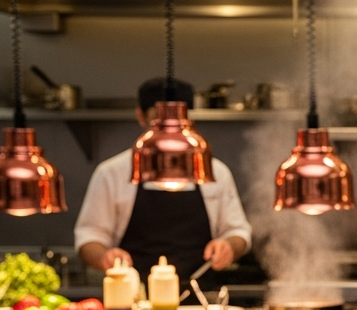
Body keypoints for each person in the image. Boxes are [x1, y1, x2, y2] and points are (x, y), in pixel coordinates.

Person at [74, 77, 251, 296]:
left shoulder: (215, 172)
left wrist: (229, 247)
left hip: (201, 300)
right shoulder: (111, 173)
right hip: (133, 300)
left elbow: (238, 231)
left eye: (178, 121)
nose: (169, 132)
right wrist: (104, 256)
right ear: (140, 116)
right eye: (159, 122)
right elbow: (89, 236)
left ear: (190, 120)